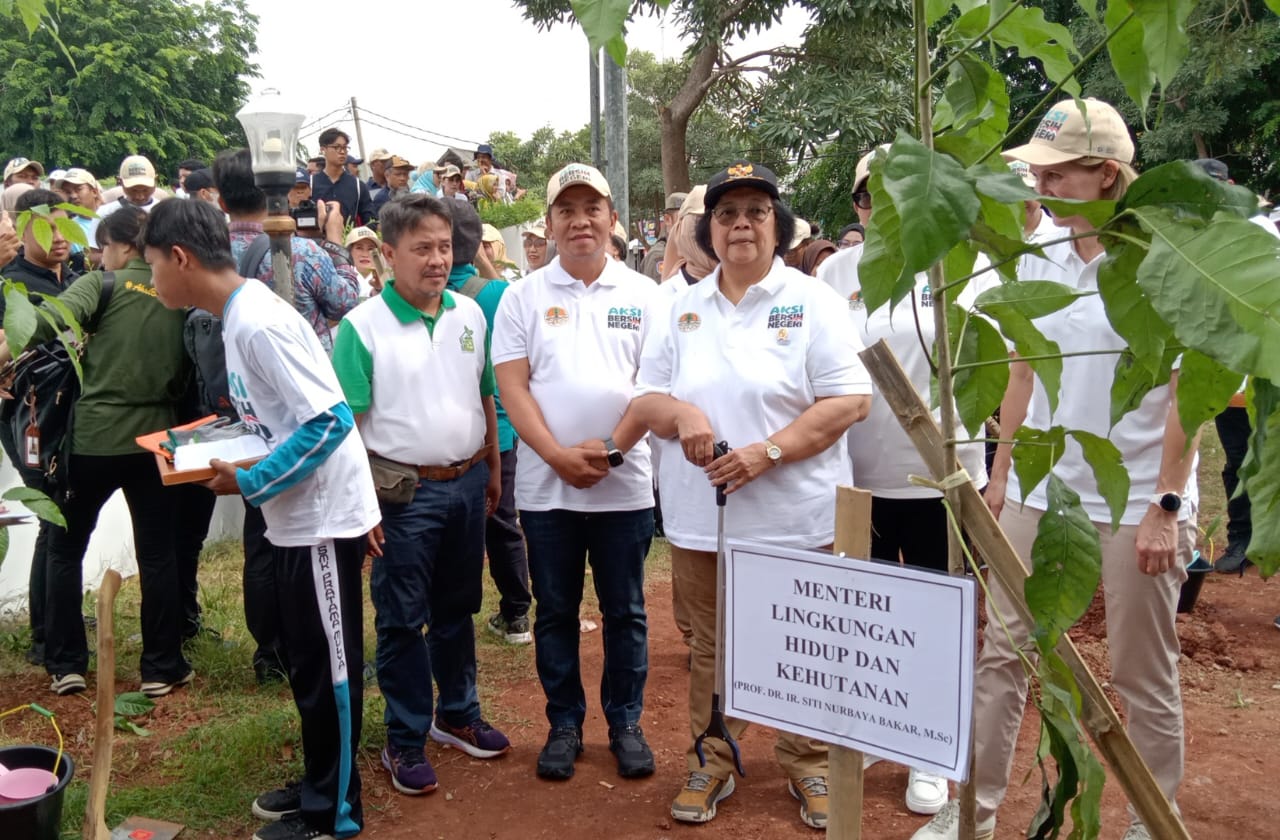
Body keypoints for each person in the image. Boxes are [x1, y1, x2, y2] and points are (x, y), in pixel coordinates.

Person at [912, 98, 1193, 840]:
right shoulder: (1042, 262)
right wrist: (1003, 474)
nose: (1043, 187)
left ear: (1106, 175)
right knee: (1003, 653)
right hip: (1040, 488)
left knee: (1141, 672)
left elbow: (1186, 401)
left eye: (1059, 174)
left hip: (1135, 497)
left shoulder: (1165, 265)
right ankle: (969, 811)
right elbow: (1021, 376)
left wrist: (1167, 504)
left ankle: (1148, 817)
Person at [631, 160, 872, 830]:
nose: (741, 224)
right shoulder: (679, 307)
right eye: (728, 213)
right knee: (712, 643)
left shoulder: (812, 300)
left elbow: (851, 399)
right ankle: (713, 759)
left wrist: (769, 451)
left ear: (777, 225)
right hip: (702, 517)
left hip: (799, 513)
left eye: (756, 212)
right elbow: (645, 397)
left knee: (808, 639)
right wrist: (681, 416)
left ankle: (810, 761)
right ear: (708, 229)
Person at [142, 197, 380, 840]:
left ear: (181, 258)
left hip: (322, 521)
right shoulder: (238, 315)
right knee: (306, 661)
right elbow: (277, 421)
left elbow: (328, 423)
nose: (152, 279)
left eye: (153, 265)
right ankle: (317, 789)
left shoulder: (258, 323)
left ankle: (336, 813)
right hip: (294, 516)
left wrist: (246, 479)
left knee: (330, 668)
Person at [818, 146, 990, 819]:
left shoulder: (956, 265)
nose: (881, 205)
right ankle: (874, 731)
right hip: (858, 477)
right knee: (866, 615)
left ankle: (929, 754)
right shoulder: (835, 274)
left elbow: (986, 368)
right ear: (857, 205)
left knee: (933, 617)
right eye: (868, 196)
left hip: (937, 478)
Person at [332, 194, 511, 797]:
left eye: (444, 247)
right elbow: (348, 428)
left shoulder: (468, 314)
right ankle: (404, 739)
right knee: (404, 620)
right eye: (422, 249)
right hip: (401, 496)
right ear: (387, 254)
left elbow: (484, 391)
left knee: (458, 607)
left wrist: (490, 464)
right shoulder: (361, 328)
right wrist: (361, 508)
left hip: (464, 485)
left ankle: (457, 713)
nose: (438, 260)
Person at [492, 162, 657, 782]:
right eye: (567, 209)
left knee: (626, 611)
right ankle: (564, 724)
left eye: (593, 208)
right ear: (550, 223)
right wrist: (558, 456)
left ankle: (626, 723)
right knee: (555, 611)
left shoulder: (646, 296)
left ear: (612, 219)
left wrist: (612, 450)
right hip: (545, 489)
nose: (580, 220)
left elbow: (654, 387)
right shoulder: (521, 296)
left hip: (626, 485)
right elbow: (513, 389)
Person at [0, 206, 190, 698]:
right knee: (158, 554)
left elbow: (33, 331)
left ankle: (66, 665)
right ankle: (161, 667)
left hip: (93, 440)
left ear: (123, 246)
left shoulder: (101, 286)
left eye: (103, 248)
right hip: (156, 441)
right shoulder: (177, 288)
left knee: (65, 547)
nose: (100, 258)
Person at [442, 207, 533, 646]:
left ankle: (449, 613)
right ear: (477, 243)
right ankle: (517, 613)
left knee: (450, 528)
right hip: (500, 424)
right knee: (503, 521)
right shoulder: (498, 291)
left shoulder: (423, 290)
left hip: (446, 432)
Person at [0, 188, 78, 669]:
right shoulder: (11, 286)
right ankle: (45, 635)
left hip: (67, 413)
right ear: (24, 230)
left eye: (65, 227)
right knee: (52, 517)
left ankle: (56, 620)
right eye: (46, 228)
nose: (59, 239)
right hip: (27, 417)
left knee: (62, 516)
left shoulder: (76, 278)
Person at [310, 128, 375, 226]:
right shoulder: (311, 183)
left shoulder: (357, 185)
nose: (342, 152)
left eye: (345, 148)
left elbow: (371, 221)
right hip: (318, 240)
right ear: (323, 150)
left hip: (348, 239)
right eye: (337, 147)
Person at [99, 155, 163, 220]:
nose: (140, 196)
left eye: (145, 190)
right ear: (120, 182)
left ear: (155, 181)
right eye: (133, 190)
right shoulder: (105, 213)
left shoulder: (164, 213)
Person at [640, 191, 687, 280]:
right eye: (683, 217)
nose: (689, 222)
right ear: (667, 219)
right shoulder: (659, 256)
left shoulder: (689, 250)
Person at [344, 226, 388, 297]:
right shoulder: (344, 276)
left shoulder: (386, 279)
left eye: (370, 249)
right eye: (359, 248)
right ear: (349, 251)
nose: (365, 254)